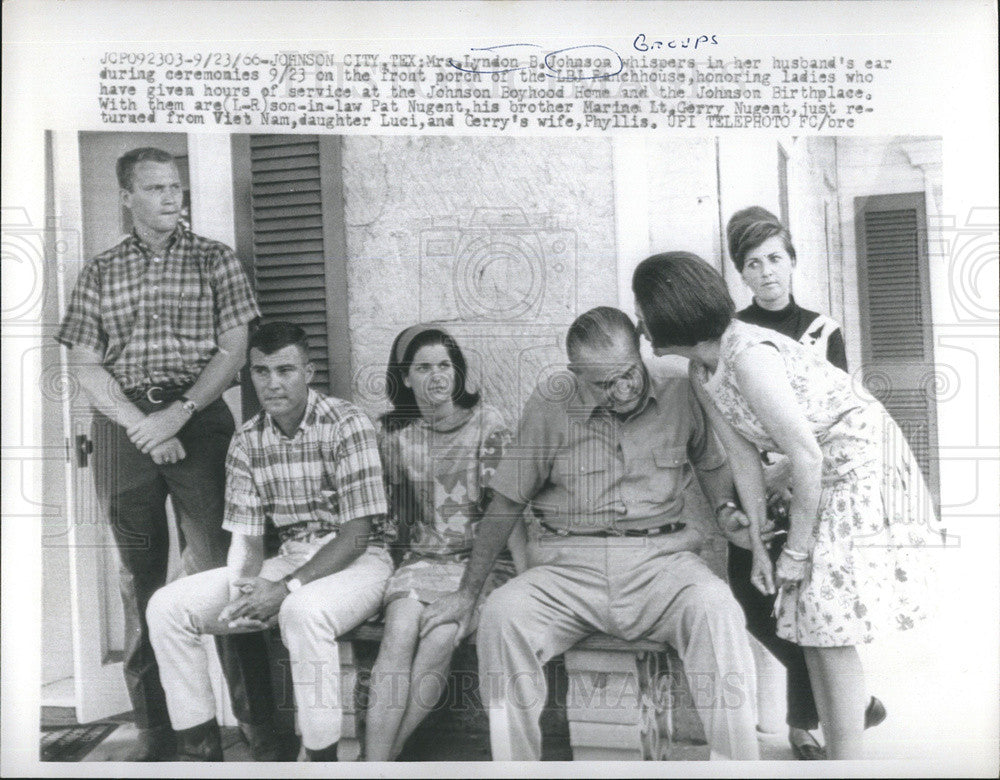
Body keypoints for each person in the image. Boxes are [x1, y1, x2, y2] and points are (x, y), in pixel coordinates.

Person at [421, 306, 761, 761]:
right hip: (567, 570)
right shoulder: (549, 404)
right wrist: (468, 593)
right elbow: (505, 503)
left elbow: (713, 464)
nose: (622, 391)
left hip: (661, 564)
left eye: (628, 374)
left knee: (717, 610)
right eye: (604, 383)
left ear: (640, 349)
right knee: (502, 618)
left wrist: (725, 509)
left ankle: (738, 769)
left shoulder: (683, 390)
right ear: (575, 374)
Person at [632, 252, 935, 759]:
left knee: (827, 619)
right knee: (810, 621)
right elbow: (744, 460)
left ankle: (847, 761)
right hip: (818, 470)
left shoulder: (748, 356)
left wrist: (794, 552)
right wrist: (758, 547)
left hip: (858, 466)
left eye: (643, 308)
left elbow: (806, 456)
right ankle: (845, 747)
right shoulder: (702, 370)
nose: (640, 321)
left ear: (671, 310)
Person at [55, 147, 277, 760]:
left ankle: (261, 729)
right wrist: (141, 424)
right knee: (140, 579)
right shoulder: (100, 272)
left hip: (200, 422)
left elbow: (235, 347)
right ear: (127, 197)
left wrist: (177, 413)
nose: (171, 197)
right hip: (124, 431)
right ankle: (163, 731)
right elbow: (85, 361)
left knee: (227, 571)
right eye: (155, 188)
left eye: (175, 186)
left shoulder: (215, 260)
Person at [146, 321, 394, 761]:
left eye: (286, 370)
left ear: (309, 371)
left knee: (301, 610)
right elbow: (248, 539)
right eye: (262, 372)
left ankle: (321, 760)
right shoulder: (246, 439)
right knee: (167, 607)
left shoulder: (347, 423)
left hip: (360, 563)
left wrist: (284, 589)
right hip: (291, 559)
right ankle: (201, 753)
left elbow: (356, 536)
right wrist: (245, 592)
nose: (273, 383)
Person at [726, 207, 885, 759]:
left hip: (812, 479)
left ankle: (803, 724)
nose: (767, 272)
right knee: (751, 594)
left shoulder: (822, 330)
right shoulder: (736, 336)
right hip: (758, 480)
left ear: (791, 262)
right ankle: (850, 699)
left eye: (774, 258)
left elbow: (835, 418)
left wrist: (788, 472)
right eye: (753, 263)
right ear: (740, 274)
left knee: (812, 603)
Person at [363, 324, 518, 761]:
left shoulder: (488, 423)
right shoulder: (392, 435)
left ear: (458, 370)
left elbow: (503, 511)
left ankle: (380, 762)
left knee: (438, 637)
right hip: (420, 561)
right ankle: (377, 763)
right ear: (405, 377)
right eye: (423, 366)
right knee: (398, 632)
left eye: (445, 365)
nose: (437, 376)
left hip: (479, 564)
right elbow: (391, 517)